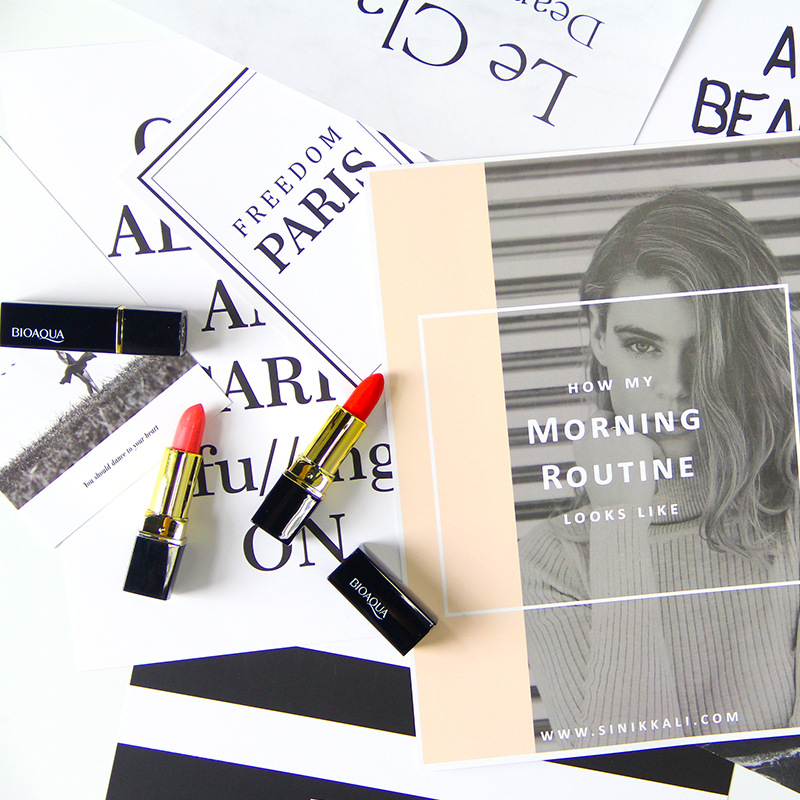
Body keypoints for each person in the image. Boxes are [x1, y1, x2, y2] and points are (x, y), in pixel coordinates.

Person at [518, 188, 800, 748]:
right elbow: (625, 775)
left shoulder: (788, 519)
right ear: (598, 335)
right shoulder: (551, 559)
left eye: (703, 348)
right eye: (642, 346)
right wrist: (619, 521)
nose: (673, 386)